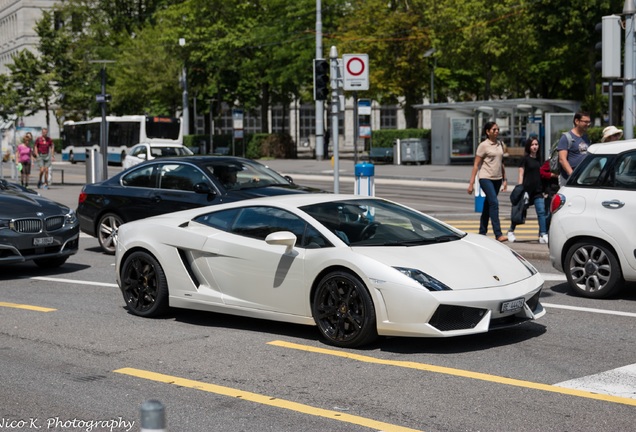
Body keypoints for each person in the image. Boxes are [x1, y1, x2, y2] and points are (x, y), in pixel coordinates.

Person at [467, 121, 508, 242]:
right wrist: (471, 184)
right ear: (487, 132)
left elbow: (501, 163)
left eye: (498, 129)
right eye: (494, 129)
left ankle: (482, 232)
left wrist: (505, 179)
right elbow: (476, 165)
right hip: (485, 178)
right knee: (494, 203)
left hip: (497, 179)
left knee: (487, 206)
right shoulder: (483, 145)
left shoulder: (500, 144)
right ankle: (498, 234)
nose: (497, 131)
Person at [506, 137, 548, 244]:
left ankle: (543, 234)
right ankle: (511, 231)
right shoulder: (524, 159)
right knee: (520, 212)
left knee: (541, 212)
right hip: (526, 191)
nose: (535, 147)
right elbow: (521, 174)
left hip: (537, 191)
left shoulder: (539, 159)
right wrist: (520, 189)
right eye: (532, 145)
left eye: (536, 144)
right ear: (528, 146)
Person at [557, 112, 591, 186]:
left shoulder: (586, 137)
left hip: (583, 178)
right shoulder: (566, 138)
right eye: (585, 122)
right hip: (569, 179)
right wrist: (573, 176)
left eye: (589, 122)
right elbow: (562, 159)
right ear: (577, 121)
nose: (588, 124)